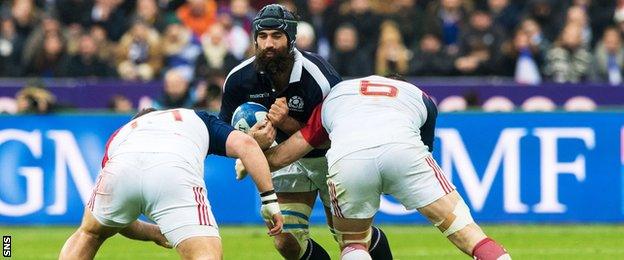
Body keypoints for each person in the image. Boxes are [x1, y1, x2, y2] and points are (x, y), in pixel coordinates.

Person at [243, 75, 511, 260]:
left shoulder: (335, 96)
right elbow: (424, 150)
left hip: (349, 158)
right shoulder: (420, 96)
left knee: (353, 242)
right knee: (469, 234)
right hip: (404, 152)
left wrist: (248, 157)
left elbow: (286, 155)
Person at [220, 4, 392, 260]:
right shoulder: (238, 79)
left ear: (291, 40)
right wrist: (250, 142)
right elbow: (224, 133)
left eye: (277, 36)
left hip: (330, 157)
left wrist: (287, 122)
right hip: (281, 158)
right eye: (262, 36)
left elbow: (339, 132)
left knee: (352, 237)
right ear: (254, 39)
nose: (269, 44)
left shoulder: (319, 77)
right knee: (286, 241)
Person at [60, 108, 283, 259]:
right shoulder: (195, 117)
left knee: (89, 233)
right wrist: (269, 199)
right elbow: (246, 144)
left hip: (120, 168)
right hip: (173, 170)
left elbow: (115, 220)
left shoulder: (121, 134)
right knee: (204, 255)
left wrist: (154, 233)